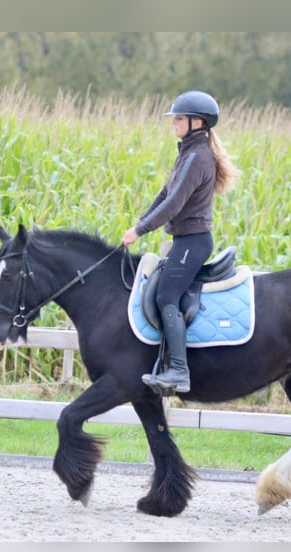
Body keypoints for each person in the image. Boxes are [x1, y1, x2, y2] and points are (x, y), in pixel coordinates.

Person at [121, 90, 240, 393]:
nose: (173, 122)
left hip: (193, 242)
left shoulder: (197, 157)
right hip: (185, 241)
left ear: (196, 122)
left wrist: (140, 231)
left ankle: (178, 372)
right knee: (163, 291)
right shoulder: (188, 154)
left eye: (179, 118)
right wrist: (139, 222)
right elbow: (164, 195)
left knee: (166, 296)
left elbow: (174, 204)